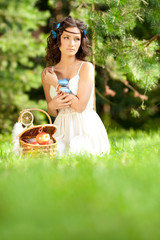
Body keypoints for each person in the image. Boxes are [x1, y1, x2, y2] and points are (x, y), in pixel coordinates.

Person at [41, 16, 110, 155]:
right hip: (60, 128)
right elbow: (52, 111)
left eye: (77, 38)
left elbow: (79, 106)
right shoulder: (48, 73)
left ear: (81, 42)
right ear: (57, 40)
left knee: (78, 153)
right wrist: (53, 105)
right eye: (66, 37)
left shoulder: (86, 68)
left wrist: (55, 83)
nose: (72, 43)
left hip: (85, 128)